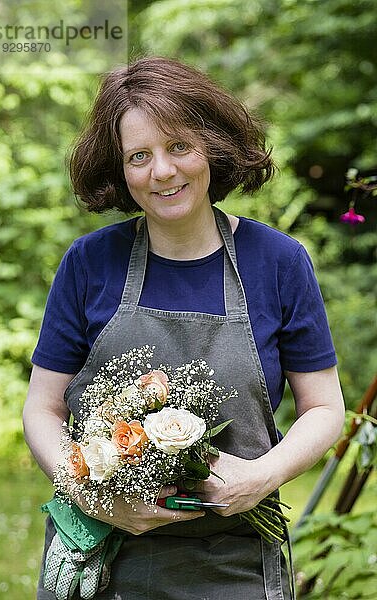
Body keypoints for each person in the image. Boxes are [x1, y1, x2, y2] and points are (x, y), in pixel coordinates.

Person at [23, 56, 345, 600]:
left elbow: (325, 407)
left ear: (212, 148)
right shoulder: (89, 262)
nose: (163, 172)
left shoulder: (278, 261)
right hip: (101, 558)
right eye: (139, 157)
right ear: (119, 170)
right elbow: (42, 407)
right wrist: (90, 494)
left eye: (179, 147)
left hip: (236, 557)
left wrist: (259, 478)